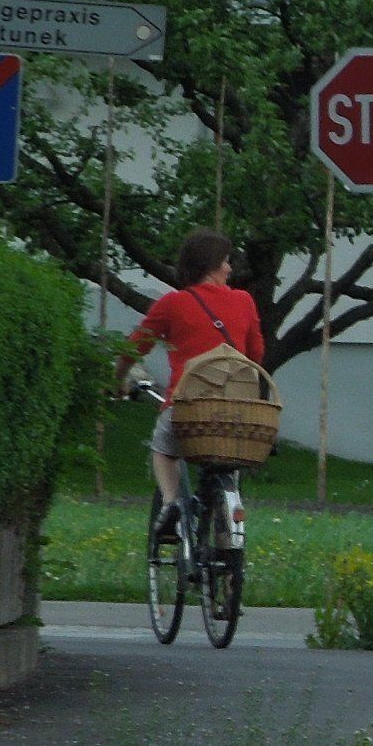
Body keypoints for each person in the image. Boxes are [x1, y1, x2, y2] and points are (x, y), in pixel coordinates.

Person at [113, 231, 266, 541]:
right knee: (227, 462)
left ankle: (170, 503)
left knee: (163, 447)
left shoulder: (172, 304)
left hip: (187, 406)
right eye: (226, 261)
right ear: (210, 265)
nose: (230, 268)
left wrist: (117, 381)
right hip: (234, 409)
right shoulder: (244, 300)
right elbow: (257, 354)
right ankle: (228, 535)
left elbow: (134, 348)